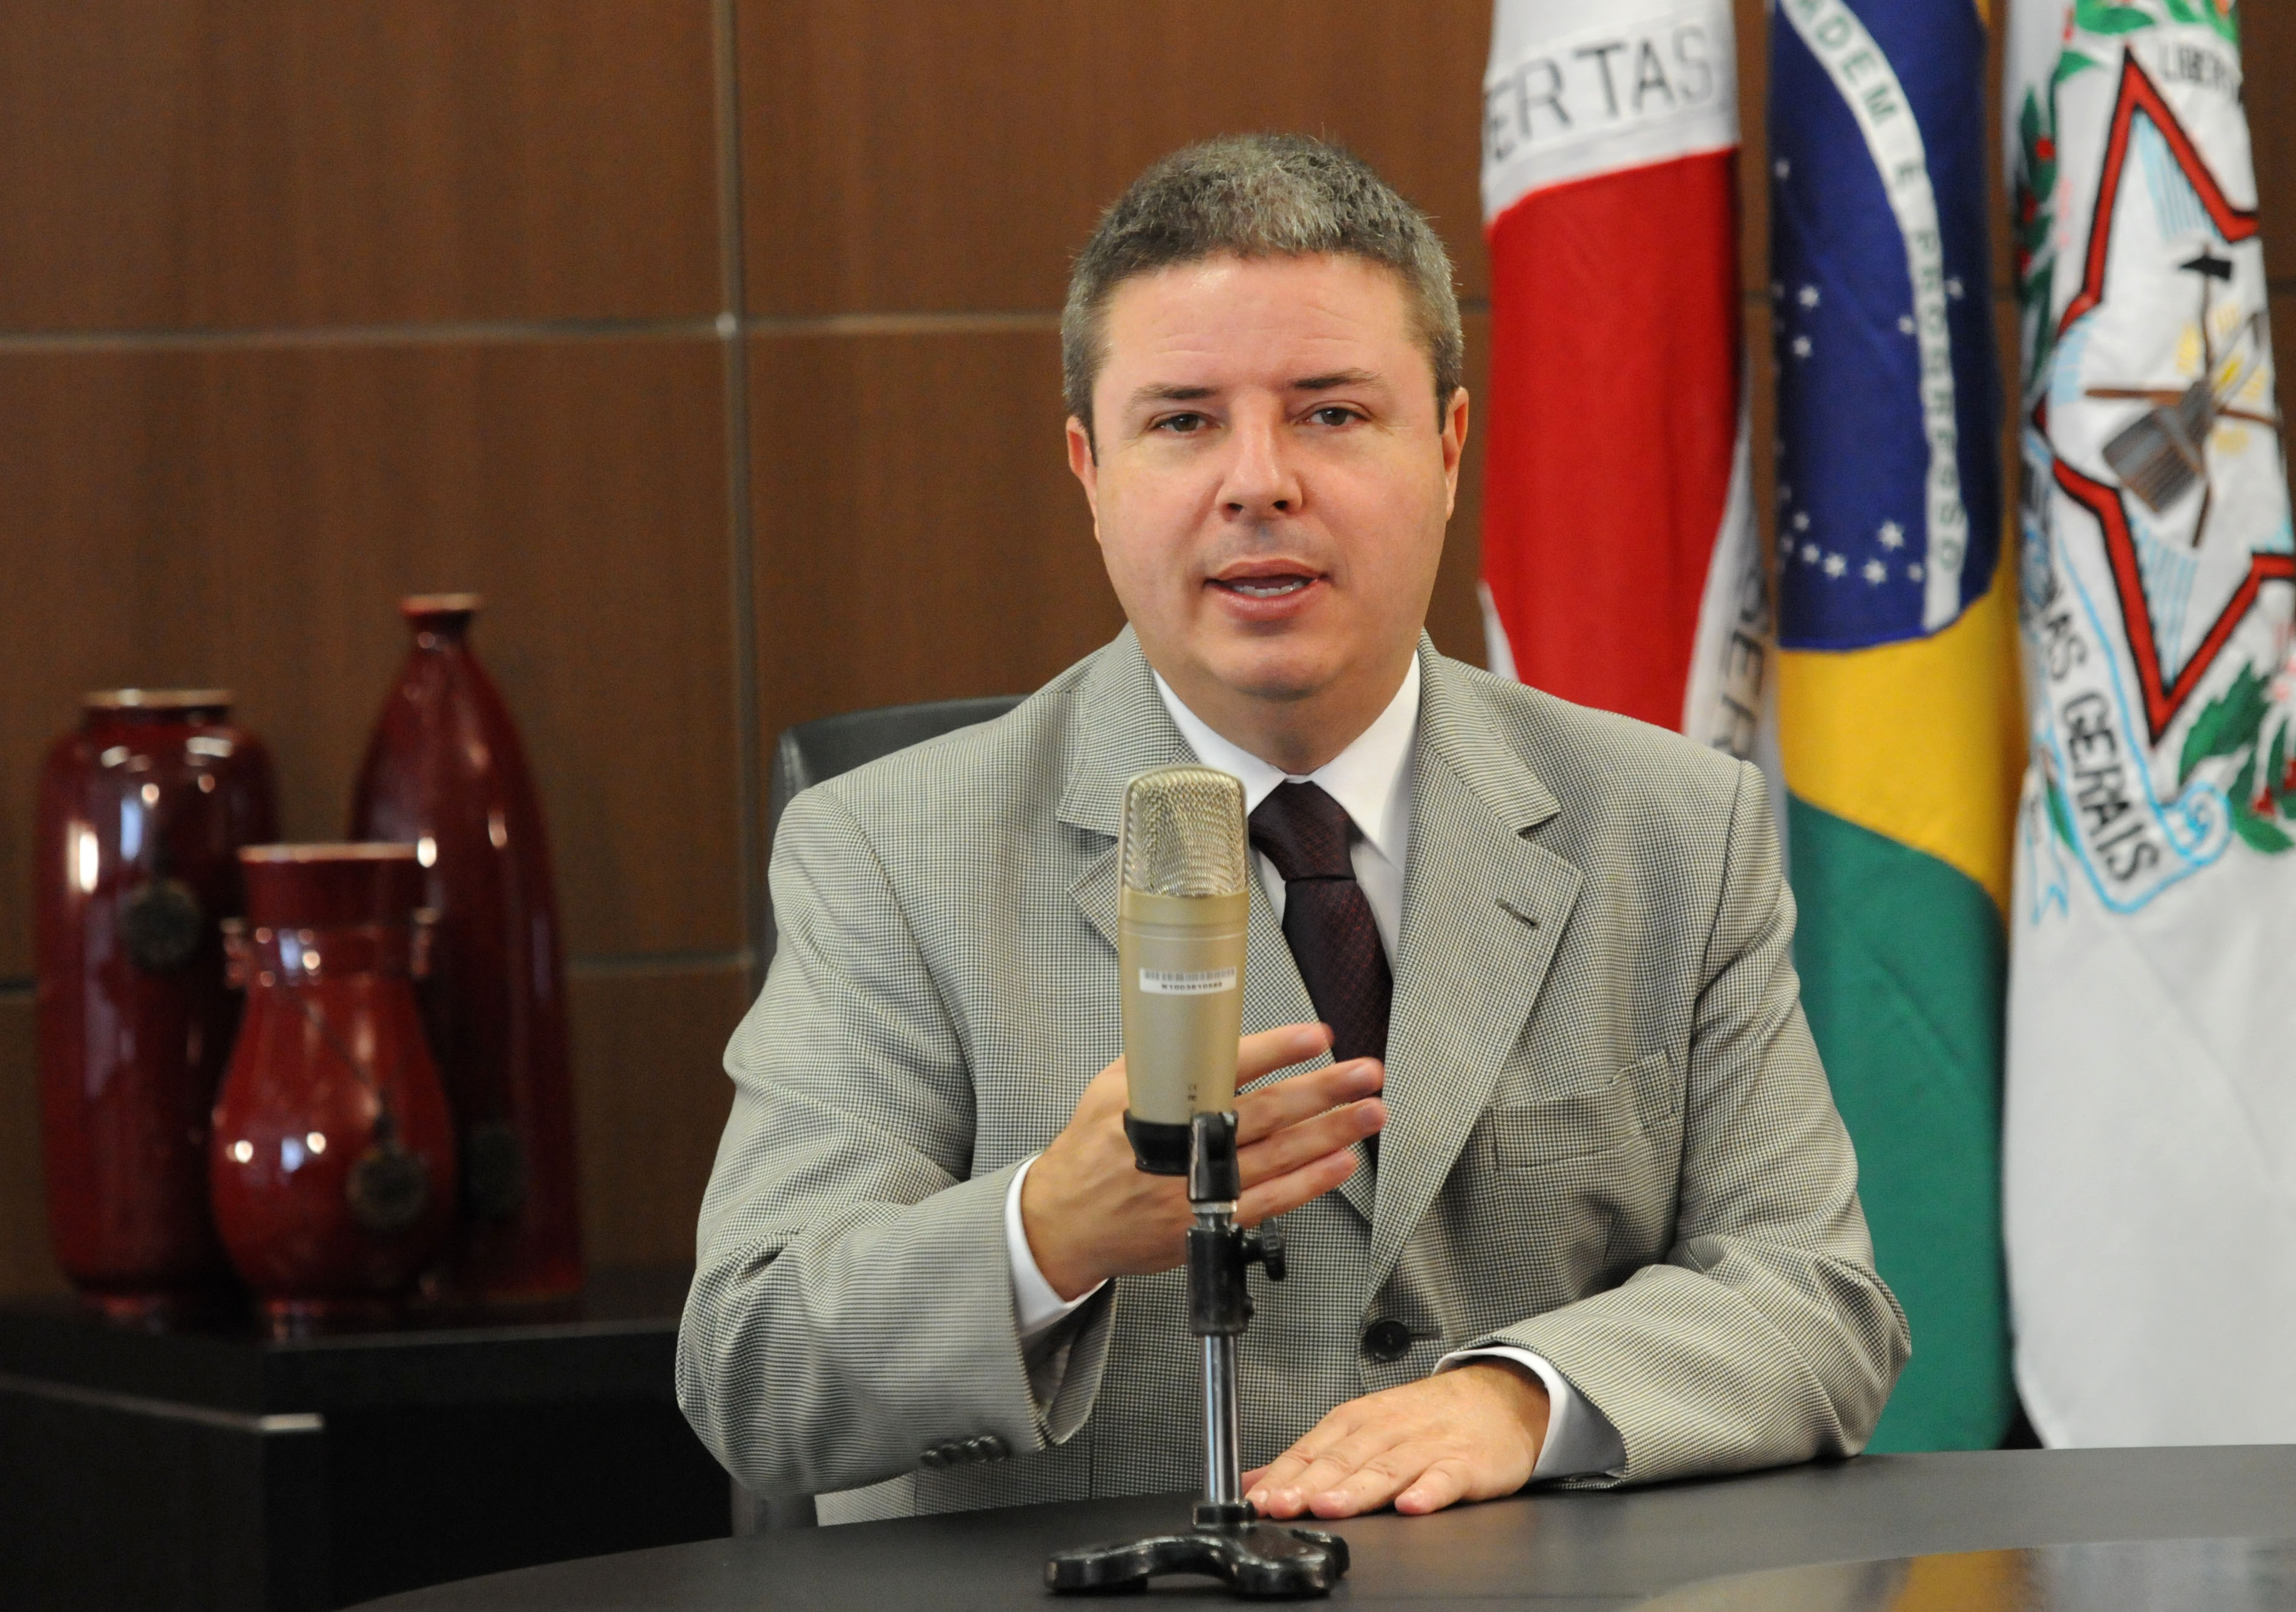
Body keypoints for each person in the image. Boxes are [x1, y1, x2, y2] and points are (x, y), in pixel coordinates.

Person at [677, 133, 1906, 1525]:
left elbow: (1816, 1296)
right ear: (1090, 471)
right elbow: (751, 1365)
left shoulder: (1674, 823)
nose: (1258, 481)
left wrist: (1519, 1398)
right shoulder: (887, 851)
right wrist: (1048, 1230)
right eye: (1183, 422)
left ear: (1448, 447)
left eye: (1330, 413)